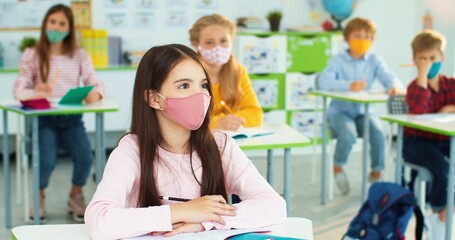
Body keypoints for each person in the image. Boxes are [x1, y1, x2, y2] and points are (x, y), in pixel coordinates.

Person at [84, 44, 286, 239]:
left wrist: (205, 220)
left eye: (203, 85)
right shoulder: (132, 149)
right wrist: (182, 212)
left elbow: (274, 205)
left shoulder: (221, 145)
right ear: (154, 99)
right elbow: (99, 221)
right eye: (184, 85)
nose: (199, 94)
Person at [13, 4, 105, 222]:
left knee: (84, 156)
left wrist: (96, 94)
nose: (56, 27)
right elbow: (18, 88)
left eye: (62, 23)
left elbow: (96, 82)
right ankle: (40, 195)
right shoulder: (33, 55)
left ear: (69, 29)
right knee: (45, 160)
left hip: (72, 120)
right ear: (45, 24)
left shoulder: (80, 55)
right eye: (52, 22)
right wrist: (35, 91)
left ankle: (75, 194)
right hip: (43, 120)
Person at [318, 17, 403, 195]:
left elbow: (388, 76)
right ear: (347, 38)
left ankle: (376, 172)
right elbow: (323, 81)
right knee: (348, 135)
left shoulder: (374, 60)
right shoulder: (338, 60)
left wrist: (394, 86)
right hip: (340, 112)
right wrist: (349, 85)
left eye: (367, 36)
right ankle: (338, 168)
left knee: (379, 134)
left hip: (364, 112)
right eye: (357, 35)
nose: (362, 40)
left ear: (372, 40)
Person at [403, 29, 455, 240]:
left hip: (445, 140)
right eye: (422, 59)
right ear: (414, 60)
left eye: (432, 58)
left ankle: (444, 213)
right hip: (417, 142)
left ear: (441, 58)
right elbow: (418, 112)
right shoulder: (414, 88)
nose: (428, 62)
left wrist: (449, 109)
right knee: (443, 167)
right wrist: (423, 76)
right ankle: (439, 211)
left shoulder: (451, 85)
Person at [189, 14, 263, 131]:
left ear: (231, 41)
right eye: (209, 42)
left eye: (223, 41)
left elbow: (255, 114)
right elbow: (186, 120)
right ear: (196, 44)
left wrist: (230, 121)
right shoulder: (186, 74)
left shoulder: (238, 72)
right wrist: (217, 123)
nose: (217, 48)